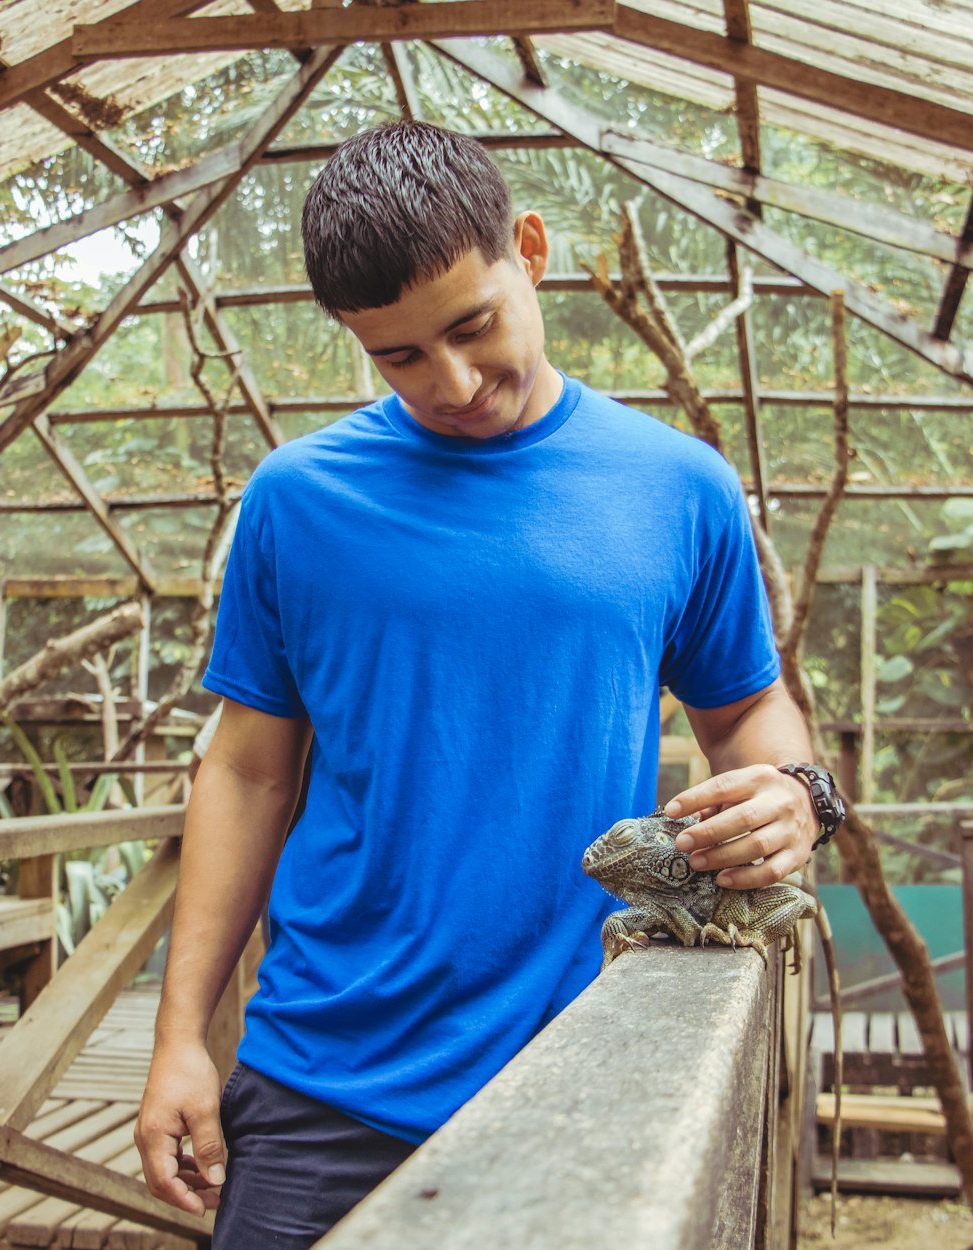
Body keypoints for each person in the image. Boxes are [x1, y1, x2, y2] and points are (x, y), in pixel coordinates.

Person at [134, 121, 835, 1249]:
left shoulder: (678, 485)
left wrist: (796, 791)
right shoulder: (295, 500)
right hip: (322, 1073)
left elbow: (743, 706)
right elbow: (249, 772)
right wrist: (179, 1035)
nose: (453, 383)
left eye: (472, 327)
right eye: (399, 356)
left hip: (586, 1054)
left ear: (531, 247)